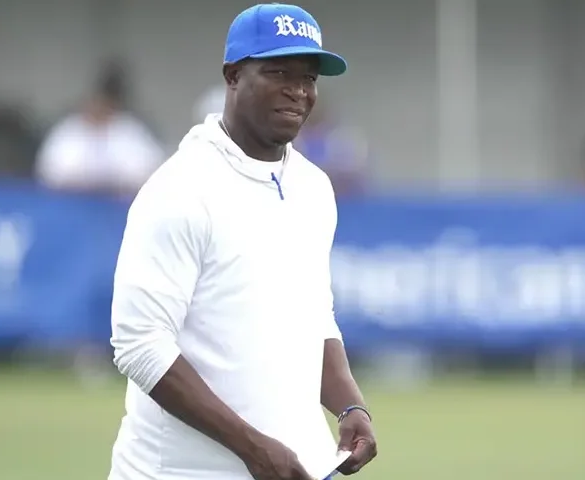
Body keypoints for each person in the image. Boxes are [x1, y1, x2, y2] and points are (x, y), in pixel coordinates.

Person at [108, 4, 377, 480]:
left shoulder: (313, 187)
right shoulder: (181, 188)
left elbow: (314, 314)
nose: (298, 90)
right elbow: (140, 345)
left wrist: (348, 406)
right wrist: (252, 448)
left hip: (299, 467)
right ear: (233, 76)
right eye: (279, 72)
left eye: (309, 77)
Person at [35, 60, 164, 197]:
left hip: (118, 205)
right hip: (70, 202)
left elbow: (152, 173)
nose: (99, 108)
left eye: (105, 103)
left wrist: (108, 182)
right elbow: (47, 171)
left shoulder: (130, 130)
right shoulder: (69, 129)